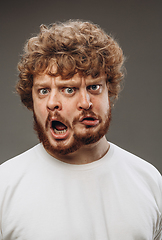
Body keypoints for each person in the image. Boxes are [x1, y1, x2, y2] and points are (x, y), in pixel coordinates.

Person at [0, 20, 161, 240]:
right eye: (69, 89)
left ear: (109, 90)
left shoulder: (149, 181)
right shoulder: (5, 185)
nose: (86, 103)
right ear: (35, 97)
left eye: (94, 87)